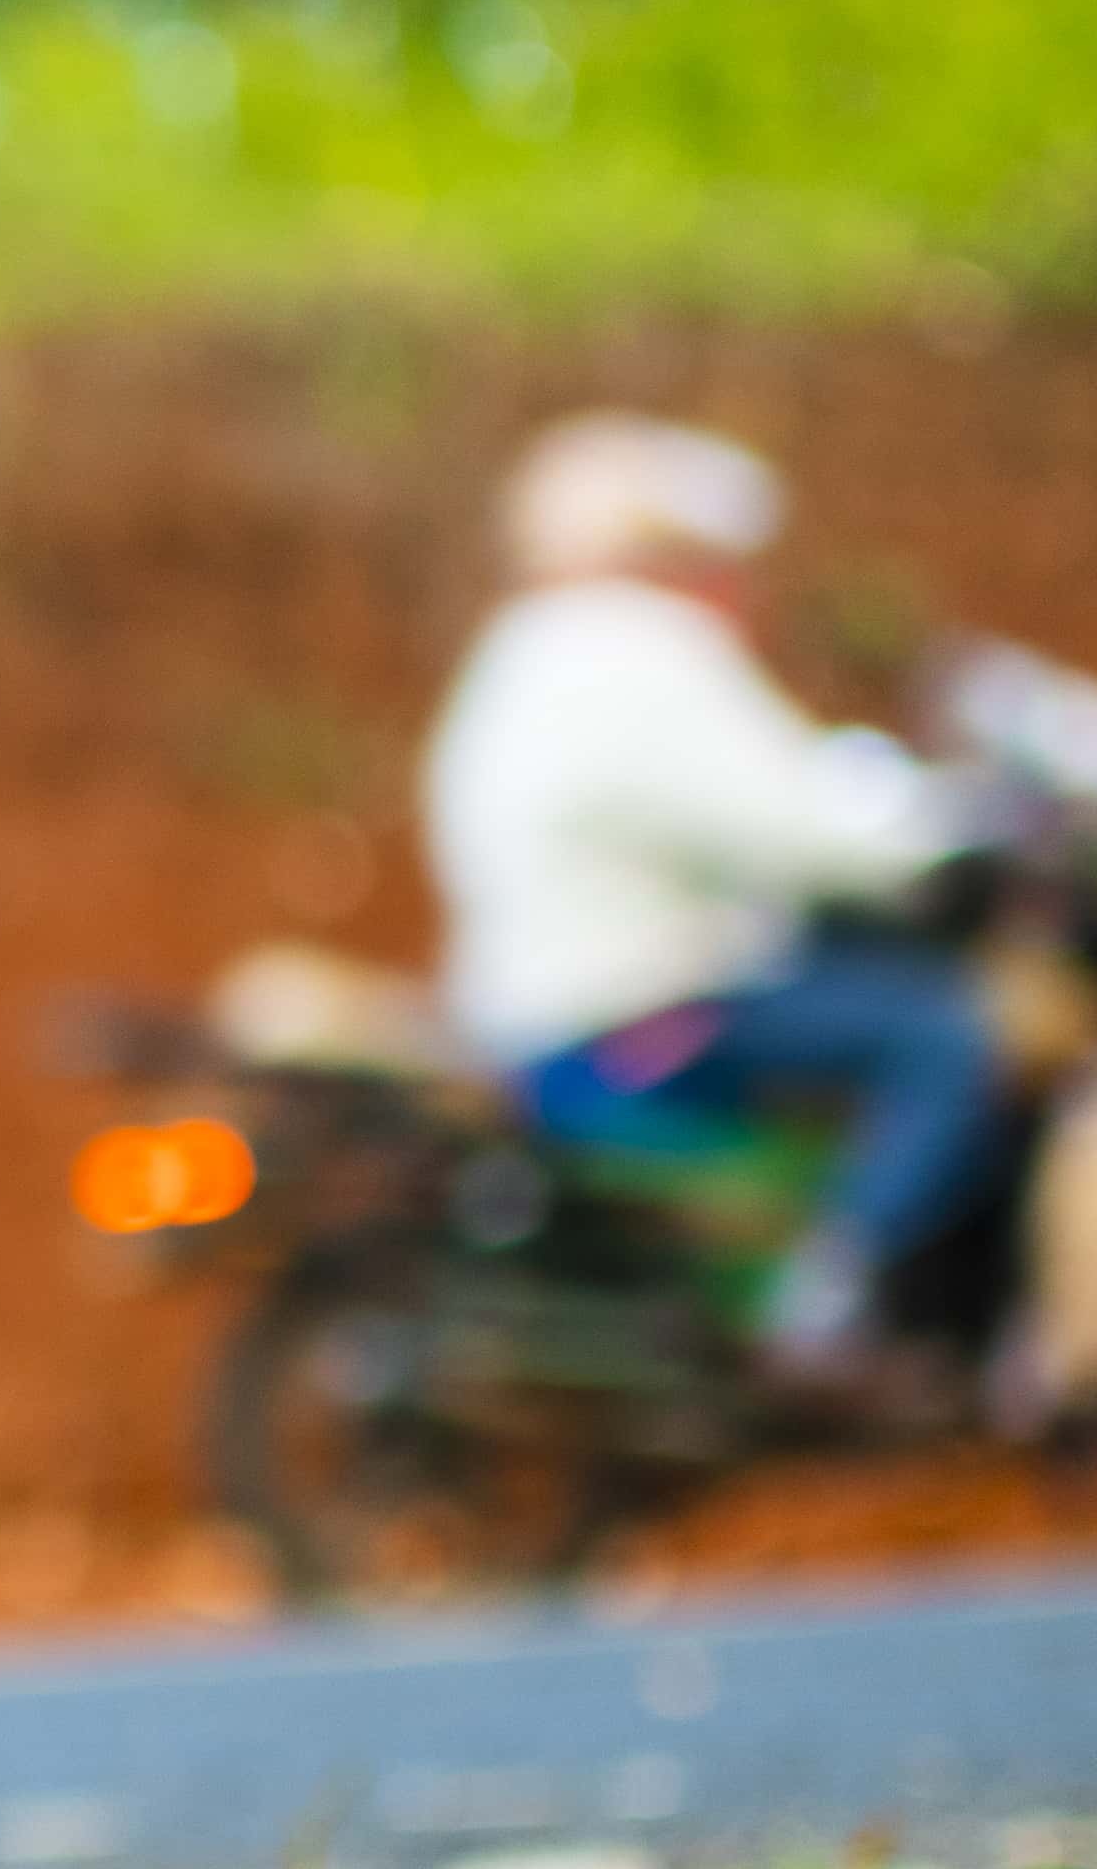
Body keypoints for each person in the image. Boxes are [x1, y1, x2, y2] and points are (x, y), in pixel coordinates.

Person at [418, 411, 1014, 1405]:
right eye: (724, 567)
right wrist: (941, 834)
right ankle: (830, 1296)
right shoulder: (642, 649)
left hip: (531, 1009)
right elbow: (795, 816)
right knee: (945, 1034)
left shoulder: (523, 647)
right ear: (673, 559)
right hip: (631, 1011)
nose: (743, 595)